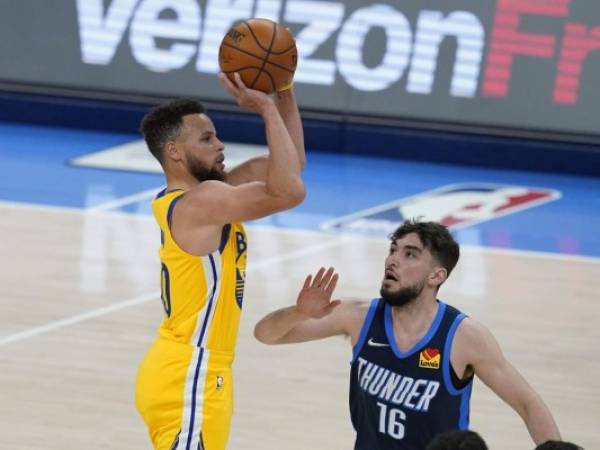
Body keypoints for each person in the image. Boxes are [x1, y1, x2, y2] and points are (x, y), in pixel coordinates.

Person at [254, 220, 561, 449]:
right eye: (393, 250)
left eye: (410, 254)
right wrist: (299, 312)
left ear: (436, 275)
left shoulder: (464, 337)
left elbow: (527, 403)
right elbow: (266, 335)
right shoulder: (358, 316)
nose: (393, 260)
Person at [134, 72, 305, 450]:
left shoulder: (206, 195)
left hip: (184, 368)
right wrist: (264, 108)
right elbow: (290, 192)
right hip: (192, 370)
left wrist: (284, 92)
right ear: (175, 152)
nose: (221, 144)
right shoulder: (202, 201)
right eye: (207, 138)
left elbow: (290, 167)